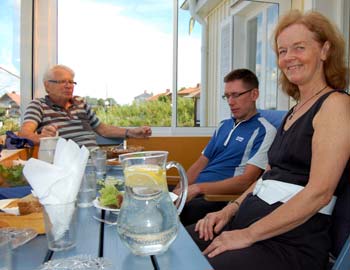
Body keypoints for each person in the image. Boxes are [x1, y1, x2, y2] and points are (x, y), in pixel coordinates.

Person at [187, 10, 350, 270]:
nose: (289, 58)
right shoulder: (292, 113)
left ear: (325, 50)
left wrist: (247, 234)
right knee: (176, 243)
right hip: (250, 223)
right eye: (282, 51)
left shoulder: (336, 105)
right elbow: (266, 177)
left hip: (290, 243)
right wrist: (229, 211)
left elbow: (319, 193)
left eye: (299, 47)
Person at [174, 68, 277, 226]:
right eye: (227, 96)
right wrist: (180, 188)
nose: (230, 102)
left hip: (218, 199)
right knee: (151, 195)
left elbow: (246, 181)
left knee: (163, 215)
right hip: (195, 193)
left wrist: (197, 189)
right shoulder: (223, 126)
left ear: (254, 94)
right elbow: (201, 162)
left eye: (236, 95)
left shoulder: (264, 131)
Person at [19, 65, 152, 148]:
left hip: (93, 160)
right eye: (62, 82)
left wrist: (131, 132)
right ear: (47, 85)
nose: (68, 85)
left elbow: (103, 129)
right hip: (66, 167)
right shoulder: (38, 105)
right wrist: (43, 138)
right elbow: (24, 134)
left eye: (71, 82)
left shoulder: (81, 104)